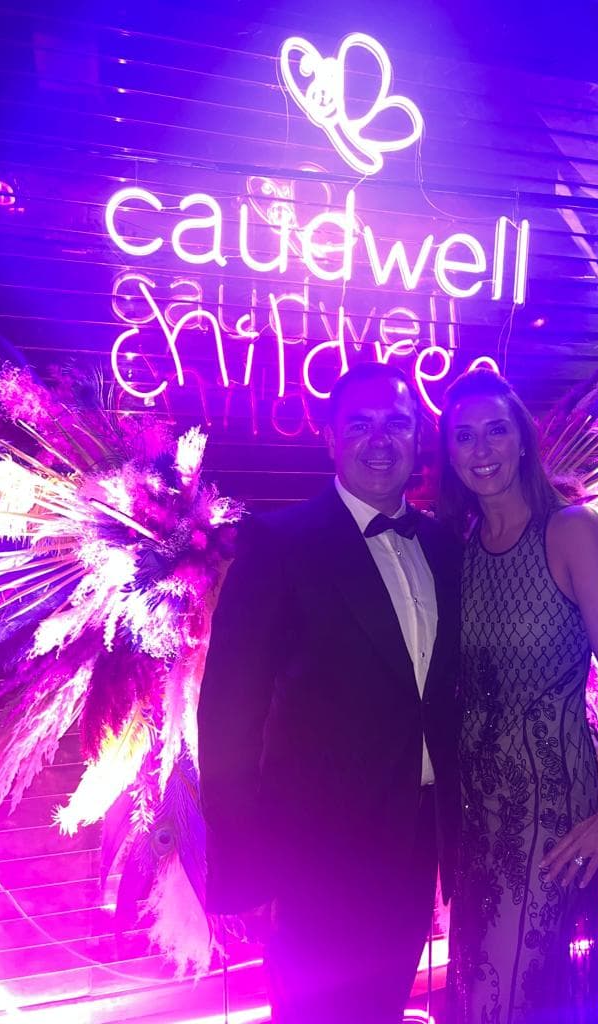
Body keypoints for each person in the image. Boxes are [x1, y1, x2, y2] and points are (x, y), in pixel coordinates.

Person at [197, 363, 461, 1024]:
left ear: (418, 436)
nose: (380, 440)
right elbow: (228, 714)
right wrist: (245, 868)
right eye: (361, 424)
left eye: (397, 423)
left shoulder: (443, 544)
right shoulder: (280, 543)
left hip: (417, 841)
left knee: (387, 1004)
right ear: (330, 439)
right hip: (316, 855)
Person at [439, 369, 598, 1024]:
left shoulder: (573, 530)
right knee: (476, 977)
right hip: (476, 807)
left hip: (550, 804)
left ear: (522, 438)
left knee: (515, 986)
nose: (481, 448)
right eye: (462, 436)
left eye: (496, 429)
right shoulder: (459, 547)